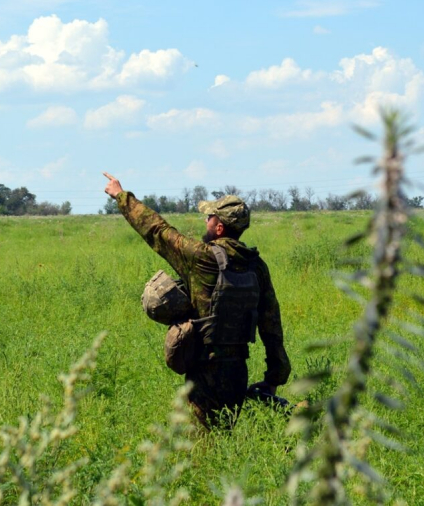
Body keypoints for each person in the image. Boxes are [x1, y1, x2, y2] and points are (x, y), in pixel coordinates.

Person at [103, 173, 291, 427]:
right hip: (238, 371)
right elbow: (272, 324)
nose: (206, 221)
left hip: (204, 371)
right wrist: (274, 377)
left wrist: (121, 196)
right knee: (227, 436)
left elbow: (156, 230)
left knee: (201, 446)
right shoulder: (256, 266)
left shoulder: (200, 257)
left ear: (220, 228)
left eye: (210, 218)